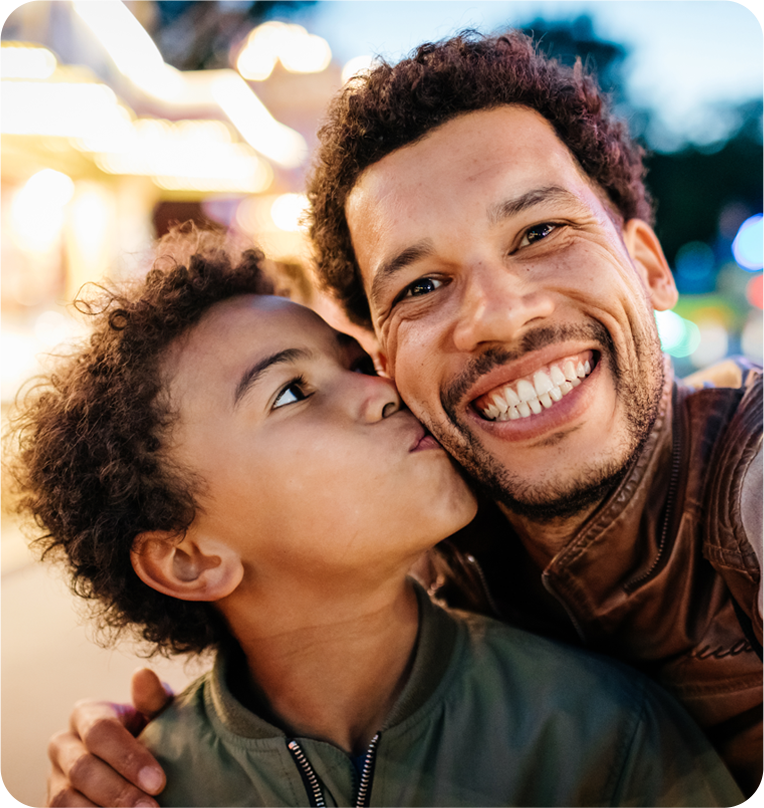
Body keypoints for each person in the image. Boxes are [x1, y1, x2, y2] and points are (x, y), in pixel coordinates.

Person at [46, 29, 764, 806]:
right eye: (422, 285)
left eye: (540, 232)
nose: (497, 315)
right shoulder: (425, 545)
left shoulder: (747, 491)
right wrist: (146, 753)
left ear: (651, 268)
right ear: (388, 355)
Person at [12, 230, 747, 808]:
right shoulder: (142, 784)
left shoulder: (596, 732)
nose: (382, 392)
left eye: (356, 363)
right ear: (189, 558)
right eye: (294, 392)